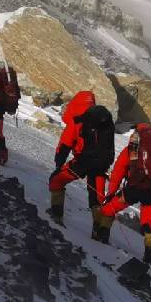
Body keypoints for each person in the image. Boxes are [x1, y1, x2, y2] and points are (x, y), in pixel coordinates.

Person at [47, 92, 116, 242]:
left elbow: (64, 145)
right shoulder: (104, 120)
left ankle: (56, 214)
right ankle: (99, 231)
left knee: (56, 181)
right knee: (97, 200)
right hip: (101, 166)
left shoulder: (78, 119)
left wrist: (59, 164)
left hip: (82, 163)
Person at [99, 123, 151, 264]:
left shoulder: (133, 147)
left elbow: (119, 171)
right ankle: (150, 256)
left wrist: (111, 193)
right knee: (149, 224)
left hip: (134, 188)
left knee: (109, 210)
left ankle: (101, 237)